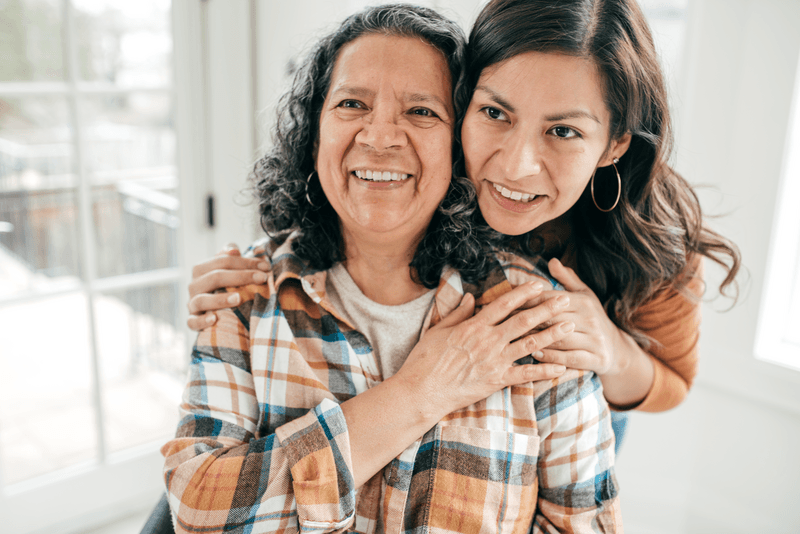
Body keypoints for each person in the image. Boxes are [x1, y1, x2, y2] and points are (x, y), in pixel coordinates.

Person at [188, 0, 740, 452]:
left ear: (615, 144)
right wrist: (246, 282)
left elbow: (673, 384)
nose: (514, 165)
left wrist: (610, 349)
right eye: (495, 113)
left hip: (581, 400)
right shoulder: (424, 176)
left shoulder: (651, 239)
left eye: (564, 131)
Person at [162, 5, 620, 534]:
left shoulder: (531, 316)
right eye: (351, 103)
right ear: (315, 133)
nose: (379, 137)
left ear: (458, 146)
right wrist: (421, 391)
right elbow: (199, 513)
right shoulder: (241, 296)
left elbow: (585, 525)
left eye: (422, 112)